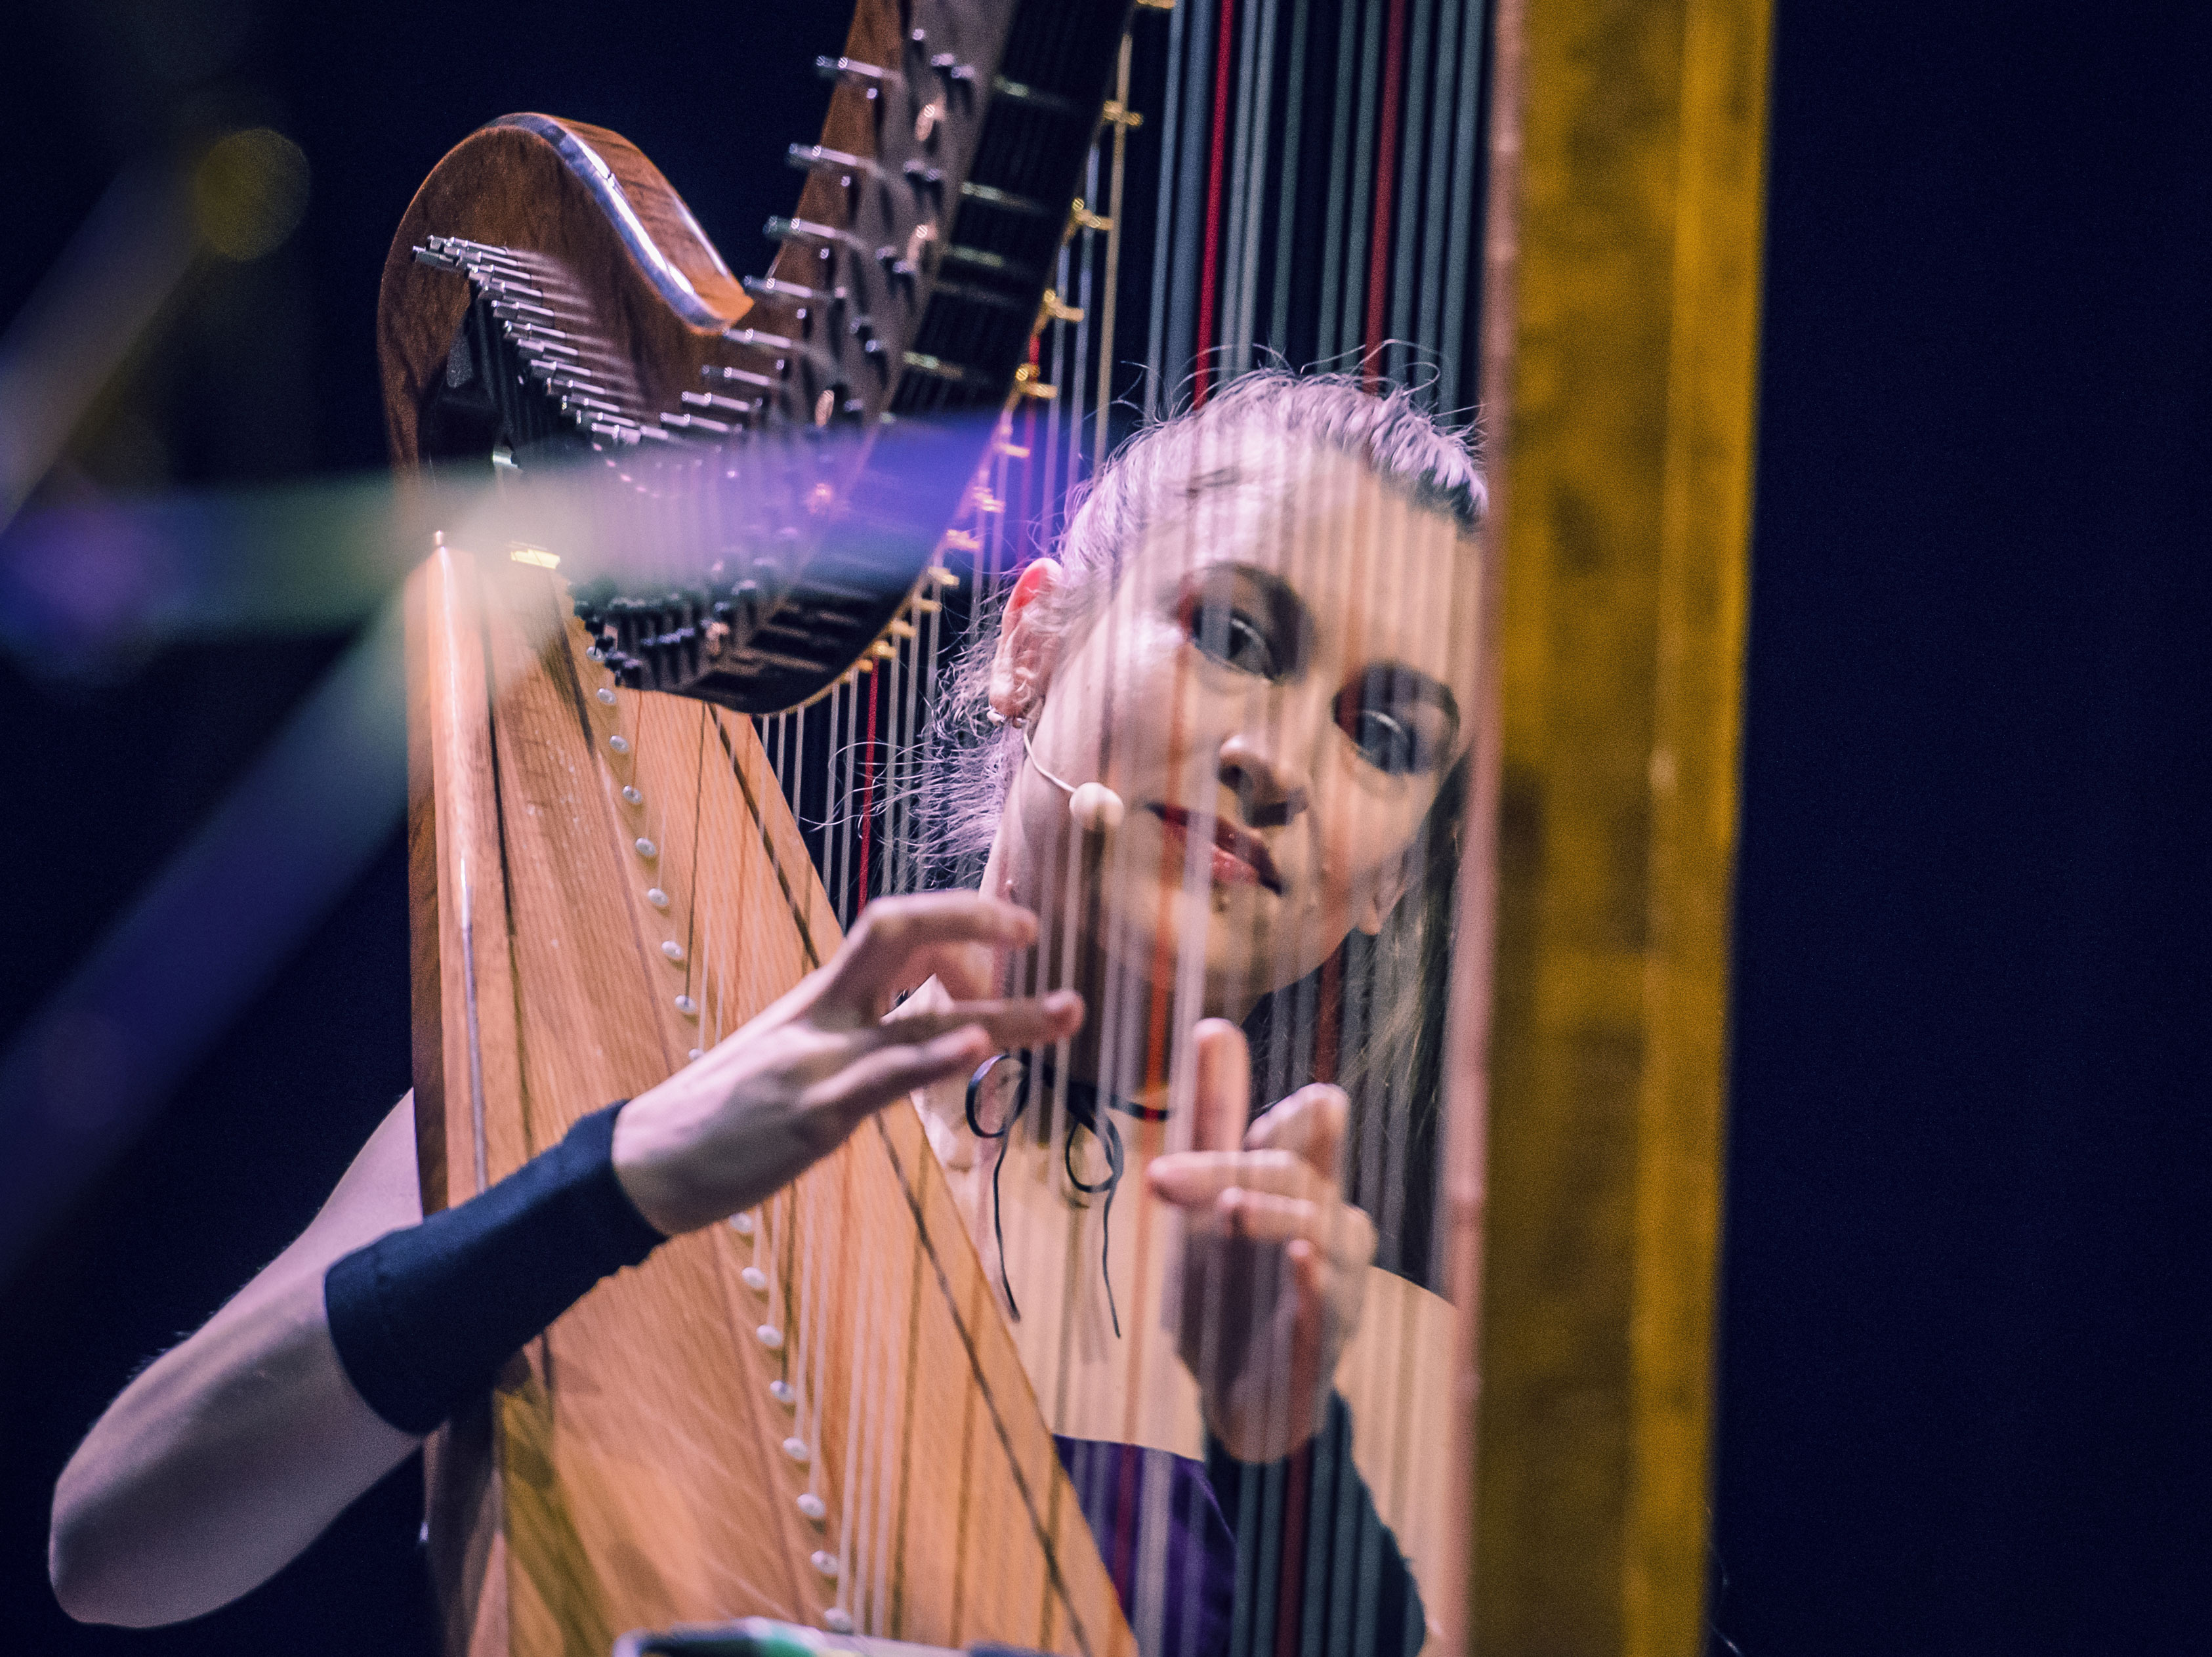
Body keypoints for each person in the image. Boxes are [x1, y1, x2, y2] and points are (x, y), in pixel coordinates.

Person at [47, 371, 1484, 1657]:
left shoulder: (1398, 1376)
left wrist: (1287, 1465)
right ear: (1031, 645)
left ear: (1391, 882)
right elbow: (114, 1546)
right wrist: (611, 1182)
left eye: (1383, 735)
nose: (1279, 759)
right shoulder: (630, 1090)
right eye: (1235, 634)